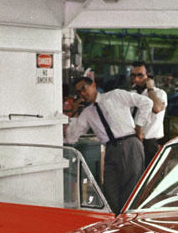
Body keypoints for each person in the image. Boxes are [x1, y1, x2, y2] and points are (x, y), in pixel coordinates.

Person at [64, 75, 154, 213]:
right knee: (110, 191)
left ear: (93, 85)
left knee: (132, 188)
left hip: (130, 143)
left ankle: (129, 222)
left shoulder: (115, 95)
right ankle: (116, 222)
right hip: (111, 149)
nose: (82, 93)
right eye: (78, 92)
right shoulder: (87, 113)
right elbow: (71, 138)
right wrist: (75, 112)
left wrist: (139, 125)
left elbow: (146, 102)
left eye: (84, 88)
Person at [129, 60, 167, 166]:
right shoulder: (131, 94)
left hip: (150, 142)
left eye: (140, 75)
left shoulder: (159, 93)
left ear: (149, 75)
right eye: (133, 76)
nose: (136, 79)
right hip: (133, 141)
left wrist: (150, 88)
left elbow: (157, 108)